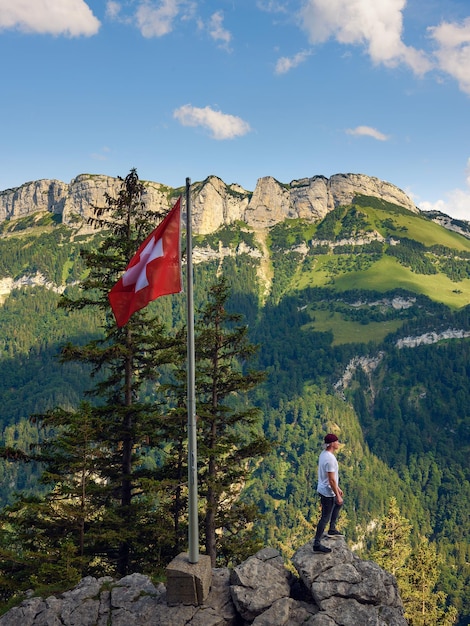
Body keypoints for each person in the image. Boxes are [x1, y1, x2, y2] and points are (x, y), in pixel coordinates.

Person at [313, 433, 344, 553]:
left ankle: (332, 528)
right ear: (331, 444)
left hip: (324, 488)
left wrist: (338, 488)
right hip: (327, 492)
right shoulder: (330, 459)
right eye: (336, 441)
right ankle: (317, 543)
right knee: (325, 517)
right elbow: (331, 479)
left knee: (339, 504)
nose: (338, 443)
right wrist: (336, 494)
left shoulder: (324, 454)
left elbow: (331, 478)